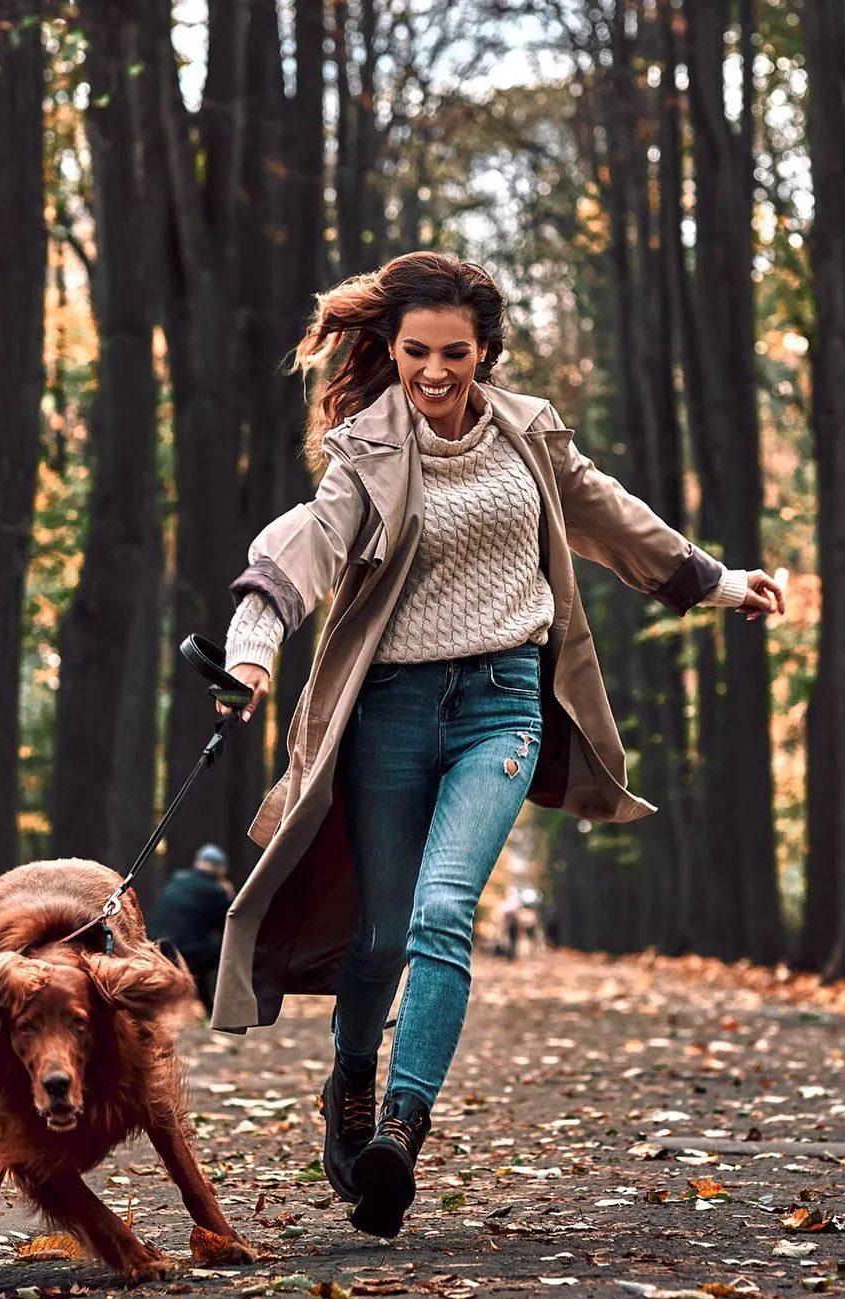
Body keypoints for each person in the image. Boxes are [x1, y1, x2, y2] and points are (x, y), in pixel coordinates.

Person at [206, 251, 783, 1240]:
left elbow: (612, 518)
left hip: (503, 700)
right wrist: (253, 648)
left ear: (485, 352)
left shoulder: (529, 435)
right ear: (390, 349)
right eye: (416, 351)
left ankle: (400, 1127)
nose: (435, 372)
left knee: (441, 912)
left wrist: (720, 583)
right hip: (389, 710)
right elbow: (303, 544)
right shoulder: (367, 452)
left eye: (455, 353)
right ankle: (352, 1077)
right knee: (382, 935)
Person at [148, 843, 233, 1009]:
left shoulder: (178, 881)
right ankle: (221, 1005)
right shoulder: (214, 891)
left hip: (157, 949)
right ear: (220, 869)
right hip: (185, 952)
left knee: (198, 952)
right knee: (226, 951)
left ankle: (207, 1006)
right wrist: (228, 895)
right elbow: (229, 923)